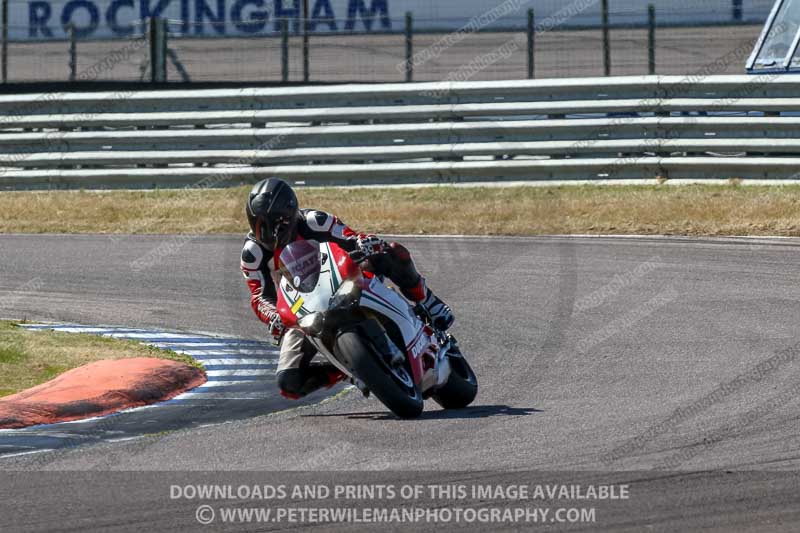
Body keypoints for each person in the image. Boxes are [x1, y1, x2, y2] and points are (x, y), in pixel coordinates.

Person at [240, 178, 454, 400]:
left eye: (274, 223)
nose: (266, 232)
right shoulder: (252, 254)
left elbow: (351, 238)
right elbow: (258, 296)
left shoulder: (315, 220)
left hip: (343, 281)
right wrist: (274, 316)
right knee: (289, 382)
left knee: (388, 252)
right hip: (302, 313)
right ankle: (349, 371)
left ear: (291, 213)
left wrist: (365, 243)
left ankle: (428, 301)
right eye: (258, 224)